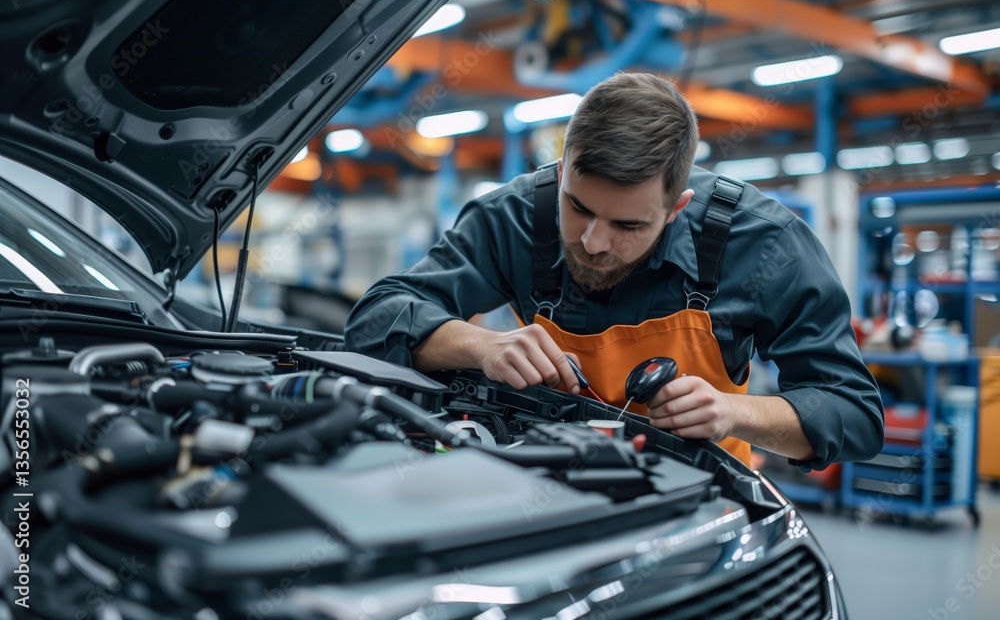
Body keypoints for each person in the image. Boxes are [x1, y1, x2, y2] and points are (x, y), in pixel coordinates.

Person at [344, 72, 883, 470]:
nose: (591, 242)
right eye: (577, 206)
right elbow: (376, 318)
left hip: (698, 500)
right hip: (543, 479)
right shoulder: (513, 216)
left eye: (626, 224)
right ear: (561, 172)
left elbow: (852, 414)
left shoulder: (765, 245)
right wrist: (481, 347)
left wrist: (733, 413)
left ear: (677, 208)